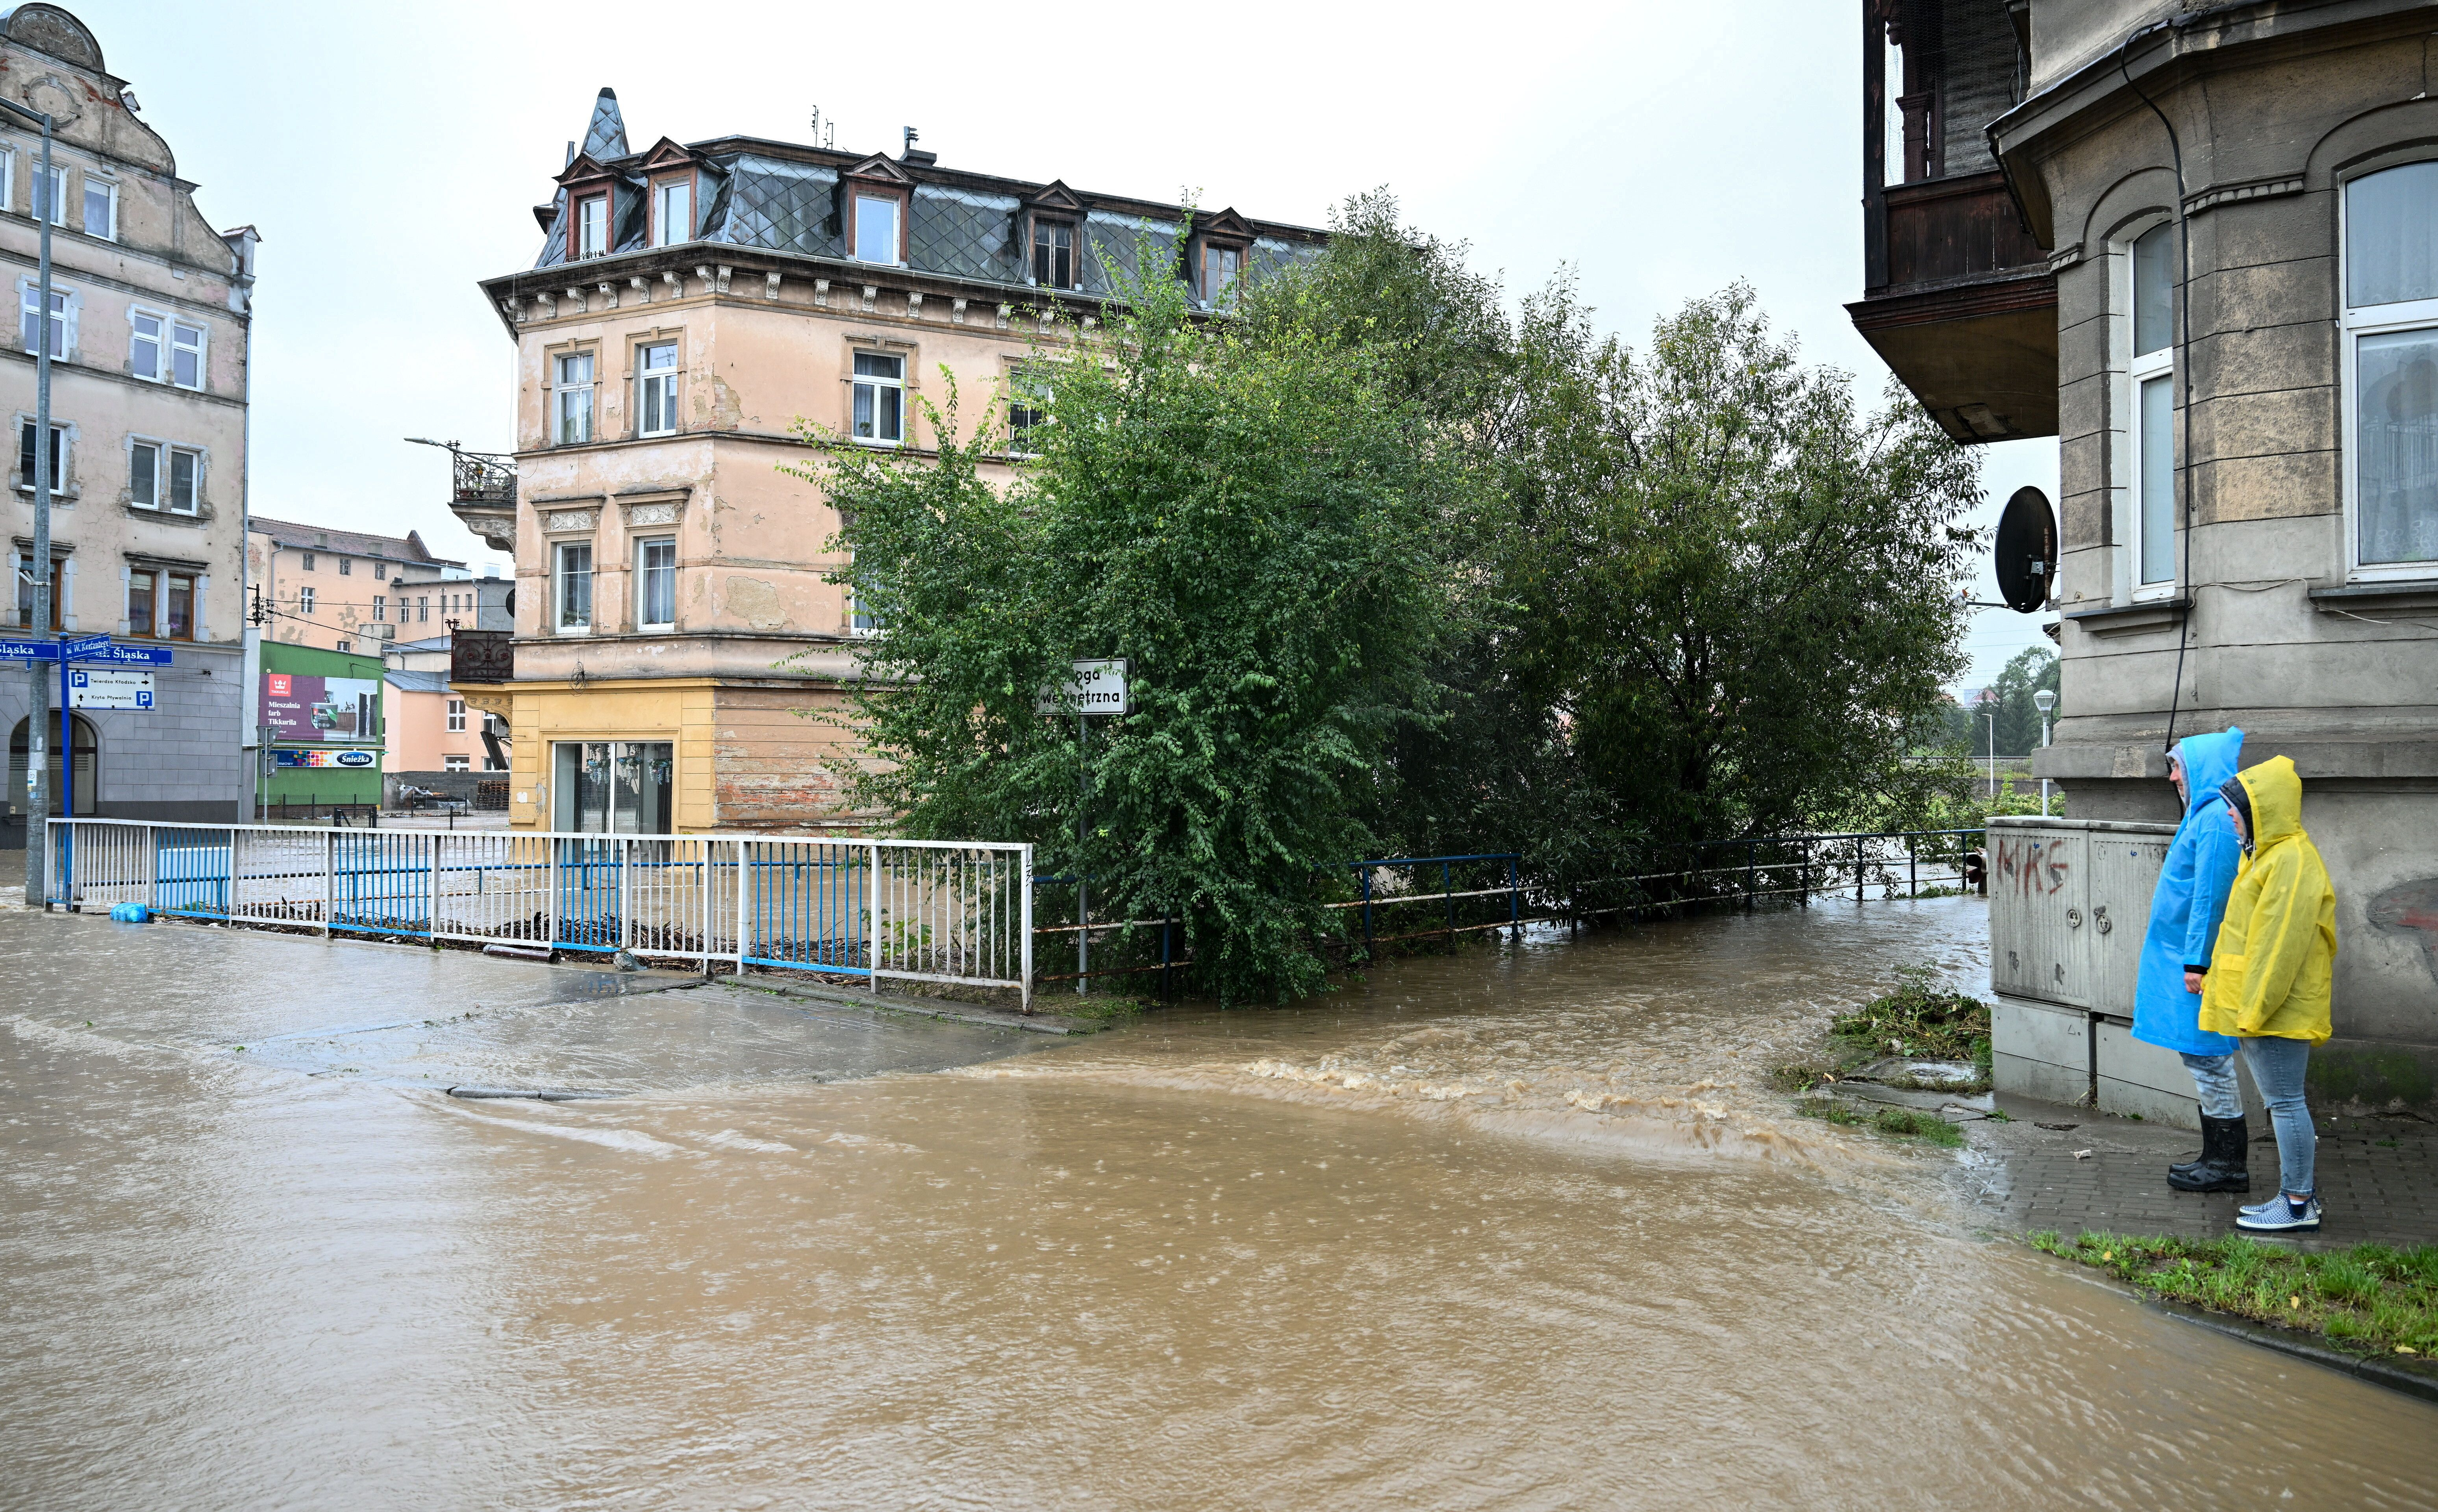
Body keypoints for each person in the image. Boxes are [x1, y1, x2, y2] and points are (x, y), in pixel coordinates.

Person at [2199, 756, 2338, 1234]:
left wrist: (2252, 1012)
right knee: (2283, 1102)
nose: (2231, 816)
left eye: (2236, 808)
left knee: (2285, 1103)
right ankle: (2295, 1198)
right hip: (2262, 1008)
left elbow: (2278, 948)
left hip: (2271, 1011)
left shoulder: (2289, 861)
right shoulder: (2271, 854)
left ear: (2261, 809)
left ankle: (2298, 1205)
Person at [2130, 729, 2248, 1191]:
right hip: (2183, 958)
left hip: (2193, 962)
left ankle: (2228, 1167)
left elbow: (2211, 901)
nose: (2172, 777)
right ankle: (2215, 1157)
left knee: (2209, 1057)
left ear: (2199, 768)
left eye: (2176, 766)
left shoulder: (2216, 820)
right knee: (2200, 1056)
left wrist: (2197, 963)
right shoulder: (2208, 815)